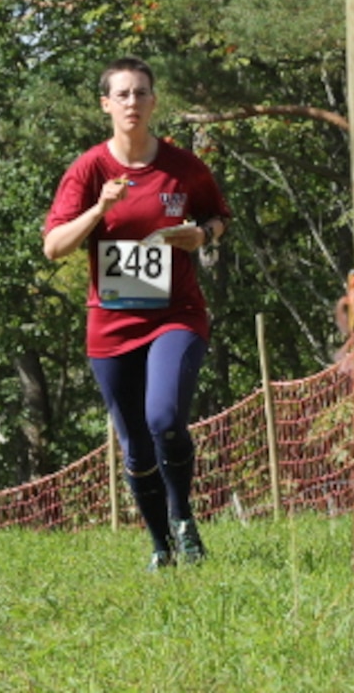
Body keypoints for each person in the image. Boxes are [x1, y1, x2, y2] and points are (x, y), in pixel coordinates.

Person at [43, 58, 230, 570]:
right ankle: (159, 547)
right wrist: (99, 209)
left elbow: (218, 216)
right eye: (121, 94)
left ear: (154, 101)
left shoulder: (183, 167)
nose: (132, 102)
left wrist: (203, 235)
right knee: (134, 446)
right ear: (105, 104)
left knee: (164, 417)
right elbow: (54, 247)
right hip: (112, 323)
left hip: (176, 314)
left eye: (140, 93)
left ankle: (183, 517)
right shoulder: (89, 171)